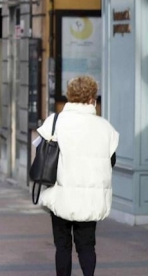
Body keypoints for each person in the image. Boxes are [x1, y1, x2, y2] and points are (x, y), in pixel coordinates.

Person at [37, 76, 118, 276]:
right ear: (92, 98)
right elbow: (112, 160)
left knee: (63, 246)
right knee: (87, 246)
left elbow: (42, 154)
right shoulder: (105, 127)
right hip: (90, 198)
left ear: (69, 96)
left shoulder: (55, 122)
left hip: (61, 194)